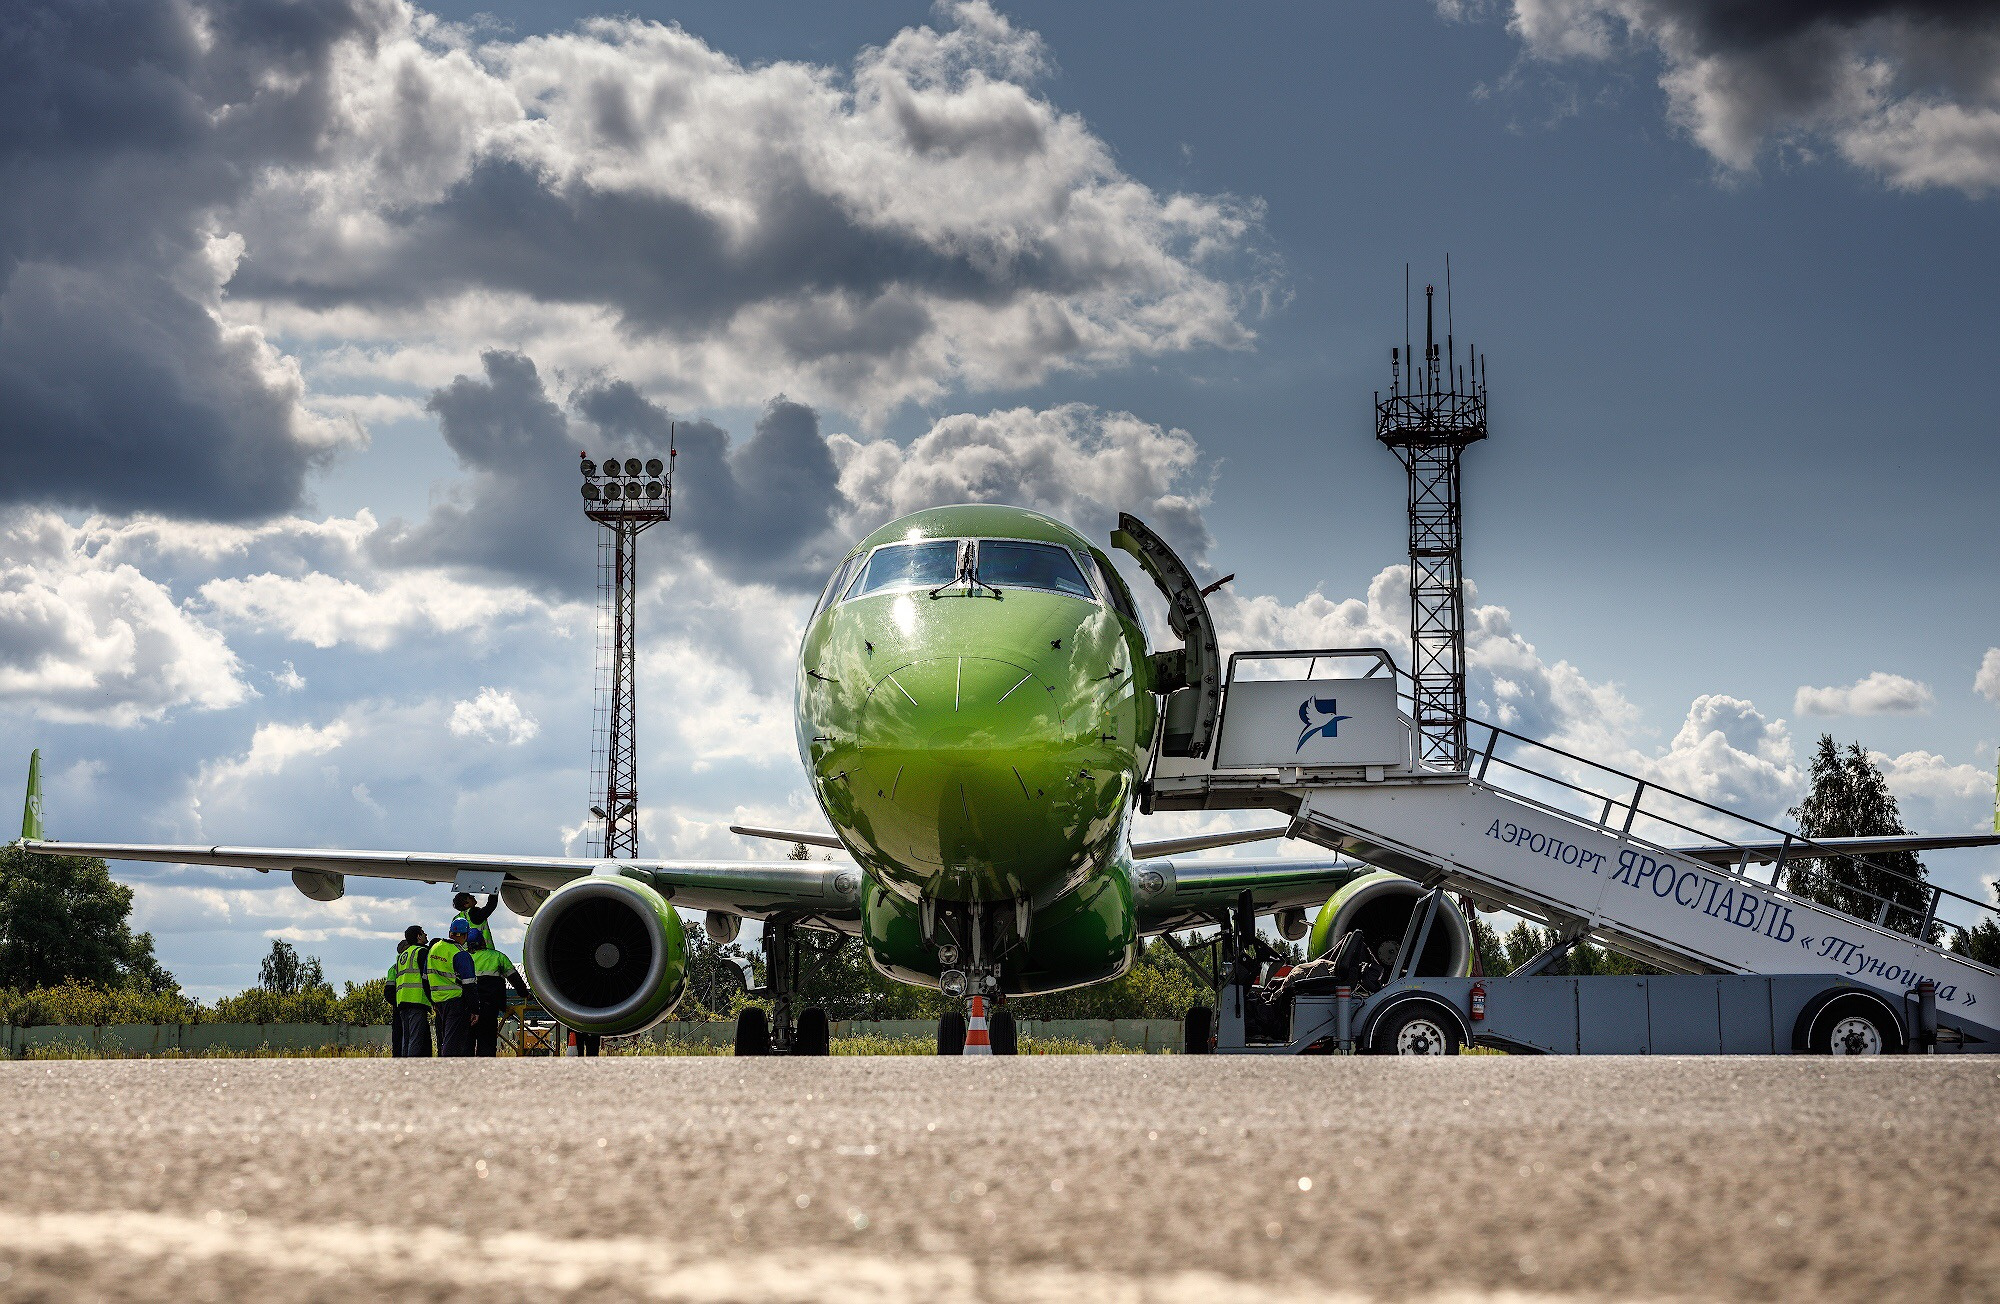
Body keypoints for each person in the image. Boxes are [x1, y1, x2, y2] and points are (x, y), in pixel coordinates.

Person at [468, 931, 530, 1058]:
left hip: (468, 1008)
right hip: (489, 1007)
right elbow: (515, 978)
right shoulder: (497, 957)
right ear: (483, 942)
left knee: (467, 1042)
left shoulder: (464, 958)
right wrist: (524, 994)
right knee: (487, 1042)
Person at [428, 919, 480, 1057]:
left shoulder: (434, 948)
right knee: (454, 1042)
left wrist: (432, 1001)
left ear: (450, 932)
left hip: (438, 1002)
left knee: (444, 1039)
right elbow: (469, 985)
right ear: (465, 935)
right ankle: (449, 1071)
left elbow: (425, 978)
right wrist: (475, 1009)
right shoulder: (461, 954)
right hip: (456, 1002)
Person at [391, 926, 434, 1057]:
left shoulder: (402, 955)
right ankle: (411, 1069)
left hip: (402, 1002)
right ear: (418, 936)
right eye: (423, 933)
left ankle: (405, 1066)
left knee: (407, 1038)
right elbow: (426, 977)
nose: (426, 934)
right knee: (416, 1039)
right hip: (417, 1000)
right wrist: (433, 1000)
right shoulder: (421, 952)